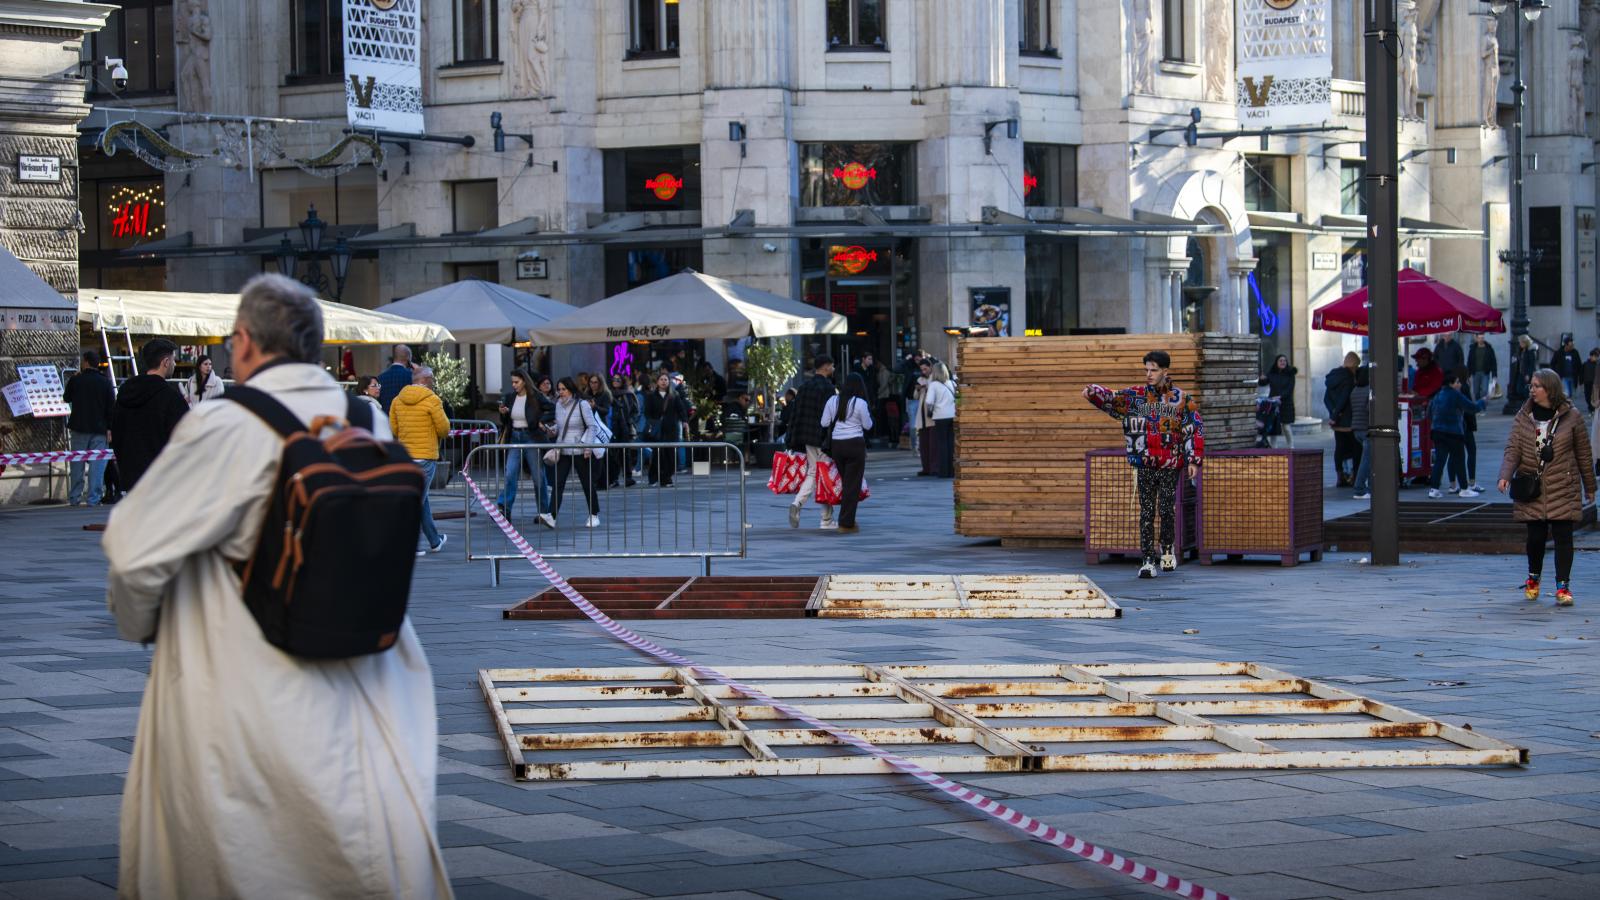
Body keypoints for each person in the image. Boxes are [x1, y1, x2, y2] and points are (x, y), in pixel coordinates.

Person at [100, 273, 451, 898]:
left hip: (246, 674)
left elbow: (133, 551)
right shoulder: (366, 416)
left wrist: (144, 625)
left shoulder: (226, 423)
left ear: (243, 343)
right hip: (372, 666)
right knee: (356, 843)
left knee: (251, 854)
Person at [1083, 350, 1204, 579]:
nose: (1149, 374)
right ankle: (1148, 560)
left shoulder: (1182, 400)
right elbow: (1111, 398)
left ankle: (1167, 550)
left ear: (1165, 371)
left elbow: (1194, 430)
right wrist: (1093, 392)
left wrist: (1194, 461)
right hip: (1145, 461)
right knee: (1146, 512)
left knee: (1167, 510)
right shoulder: (1135, 396)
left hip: (1170, 462)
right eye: (1146, 370)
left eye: (1154, 370)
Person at [1498, 369, 1595, 606]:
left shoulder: (1572, 416)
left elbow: (1583, 453)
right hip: (1533, 485)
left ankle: (1563, 587)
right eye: (1531, 385)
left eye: (1537, 385)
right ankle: (1533, 578)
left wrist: (1589, 486)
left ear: (1550, 389)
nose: (1532, 389)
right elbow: (1513, 449)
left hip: (1563, 484)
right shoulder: (1523, 416)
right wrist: (1505, 475)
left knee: (1564, 536)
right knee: (1535, 538)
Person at [110, 339, 189, 492]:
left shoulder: (125, 395)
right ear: (165, 362)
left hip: (132, 480)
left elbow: (117, 434)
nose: (175, 364)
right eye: (173, 360)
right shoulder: (171, 398)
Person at [389, 365, 450, 555]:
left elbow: (393, 428)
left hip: (405, 457)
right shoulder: (432, 400)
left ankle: (434, 540)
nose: (433, 382)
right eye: (432, 378)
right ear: (425, 379)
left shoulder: (397, 400)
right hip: (425, 456)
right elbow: (444, 429)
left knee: (421, 499)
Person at [539, 376, 603, 529]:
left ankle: (594, 515)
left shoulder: (582, 405)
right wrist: (550, 430)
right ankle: (552, 516)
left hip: (580, 449)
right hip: (563, 450)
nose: (561, 392)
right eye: (559, 389)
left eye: (564, 389)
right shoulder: (558, 406)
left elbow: (592, 427)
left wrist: (587, 447)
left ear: (571, 389)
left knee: (587, 483)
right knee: (558, 483)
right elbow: (560, 428)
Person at [785, 356, 839, 529]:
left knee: (813, 472)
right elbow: (831, 416)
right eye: (832, 366)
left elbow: (796, 414)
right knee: (824, 475)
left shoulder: (804, 387)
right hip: (822, 438)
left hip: (807, 437)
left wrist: (792, 438)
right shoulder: (828, 388)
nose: (833, 368)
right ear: (826, 367)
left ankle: (797, 504)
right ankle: (826, 519)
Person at [821, 372, 873, 533]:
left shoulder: (832, 400)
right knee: (852, 485)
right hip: (855, 444)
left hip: (837, 446)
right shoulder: (860, 403)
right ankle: (846, 523)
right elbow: (868, 426)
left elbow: (824, 422)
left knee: (847, 483)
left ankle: (847, 519)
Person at [496, 369, 552, 516]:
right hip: (515, 436)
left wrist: (541, 421)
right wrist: (503, 413)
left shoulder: (536, 397)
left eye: (516, 382)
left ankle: (544, 512)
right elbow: (505, 421)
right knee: (510, 473)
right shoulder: (510, 397)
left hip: (532, 437)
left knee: (538, 476)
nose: (514, 385)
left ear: (524, 381)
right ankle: (504, 508)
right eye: (512, 382)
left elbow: (552, 409)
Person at [64, 349, 114, 507]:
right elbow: (111, 407)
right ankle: (94, 498)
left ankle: (75, 498)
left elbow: (66, 398)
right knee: (97, 465)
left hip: (79, 428)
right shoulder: (105, 382)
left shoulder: (77, 380)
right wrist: (110, 428)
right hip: (99, 429)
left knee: (77, 464)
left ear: (85, 362)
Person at [1426, 371, 1486, 499]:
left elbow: (1429, 414)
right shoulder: (1455, 395)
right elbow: (1472, 408)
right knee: (1459, 460)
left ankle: (1434, 489)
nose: (1459, 384)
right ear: (1451, 384)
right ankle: (1464, 488)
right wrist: (1483, 402)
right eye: (1457, 382)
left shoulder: (1437, 396)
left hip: (1437, 432)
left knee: (1439, 461)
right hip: (1453, 432)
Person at [644, 370, 689, 487]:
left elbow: (681, 409)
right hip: (657, 430)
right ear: (657, 382)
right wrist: (653, 423)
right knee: (657, 455)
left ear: (669, 382)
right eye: (661, 379)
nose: (663, 382)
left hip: (671, 429)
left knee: (670, 455)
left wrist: (685, 421)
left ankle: (666, 477)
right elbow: (647, 413)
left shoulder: (674, 395)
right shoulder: (651, 396)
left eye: (666, 379)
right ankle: (654, 478)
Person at [1324, 352, 1359, 488]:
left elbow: (1326, 398)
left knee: (1339, 448)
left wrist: (1333, 413)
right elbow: (1344, 398)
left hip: (1337, 422)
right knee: (1356, 448)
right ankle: (1354, 476)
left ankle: (1340, 477)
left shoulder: (1333, 377)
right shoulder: (1349, 378)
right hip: (1348, 419)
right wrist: (1336, 414)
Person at [921, 360, 957, 478]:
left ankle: (943, 471)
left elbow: (929, 401)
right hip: (952, 415)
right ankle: (952, 471)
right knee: (951, 443)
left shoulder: (933, 385)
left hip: (940, 416)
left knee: (941, 444)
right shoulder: (952, 383)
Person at [607, 373, 639, 487]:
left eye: (618, 379)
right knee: (612, 454)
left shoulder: (628, 394)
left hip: (625, 426)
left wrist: (629, 421)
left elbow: (635, 410)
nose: (616, 381)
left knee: (626, 453)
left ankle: (628, 477)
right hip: (611, 426)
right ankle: (614, 479)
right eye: (614, 379)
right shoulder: (608, 394)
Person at [1350, 365, 1375, 499]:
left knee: (1369, 459)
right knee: (1366, 460)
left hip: (1356, 429)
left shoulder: (1355, 390)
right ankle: (1359, 489)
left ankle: (1371, 489)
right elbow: (1369, 409)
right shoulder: (1369, 390)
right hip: (1366, 429)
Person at [1261, 354, 1297, 444]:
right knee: (1273, 428)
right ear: (1276, 362)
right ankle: (1274, 449)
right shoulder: (1272, 373)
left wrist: (1280, 396)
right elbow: (1263, 383)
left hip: (1286, 403)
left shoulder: (1290, 374)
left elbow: (1290, 389)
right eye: (1280, 361)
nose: (1282, 362)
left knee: (1286, 427)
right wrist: (1261, 379)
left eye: (1284, 361)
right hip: (1273, 403)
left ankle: (1291, 447)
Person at [376, 344, 413, 411]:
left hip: (386, 418)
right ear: (408, 358)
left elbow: (378, 399)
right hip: (405, 417)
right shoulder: (411, 375)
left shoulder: (380, 377)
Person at [1468, 334, 1498, 404]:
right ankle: (1478, 404)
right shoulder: (1473, 348)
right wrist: (1468, 375)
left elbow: (1493, 362)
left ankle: (1483, 405)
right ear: (1476, 338)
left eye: (1482, 338)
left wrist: (1494, 375)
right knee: (1476, 391)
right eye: (1480, 338)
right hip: (1475, 372)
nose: (1481, 339)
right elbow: (1469, 362)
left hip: (1485, 372)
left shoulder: (1488, 348)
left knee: (1484, 390)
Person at [1550, 335, 1583, 399]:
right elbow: (1552, 364)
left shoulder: (1575, 352)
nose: (1572, 347)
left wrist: (1581, 377)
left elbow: (1579, 365)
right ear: (1566, 345)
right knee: (1566, 394)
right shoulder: (1559, 353)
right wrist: (1556, 373)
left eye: (1573, 345)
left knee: (1572, 395)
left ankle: (1570, 408)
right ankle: (1566, 408)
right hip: (1563, 377)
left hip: (1573, 377)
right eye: (1570, 345)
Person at [1582, 349, 1600, 413]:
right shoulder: (1585, 364)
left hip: (1594, 383)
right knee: (1587, 396)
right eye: (1595, 356)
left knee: (1594, 396)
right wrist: (1581, 381)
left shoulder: (1597, 364)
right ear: (1591, 356)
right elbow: (1582, 373)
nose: (1596, 358)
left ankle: (1592, 408)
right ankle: (1590, 407)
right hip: (1587, 382)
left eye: (1597, 356)